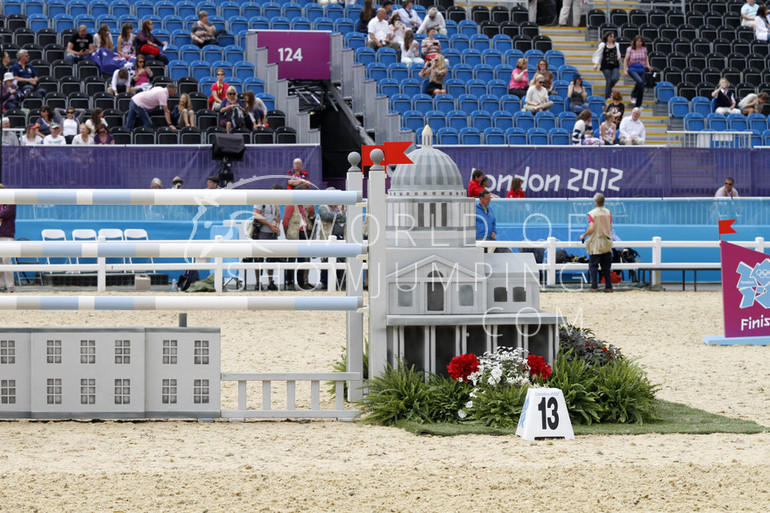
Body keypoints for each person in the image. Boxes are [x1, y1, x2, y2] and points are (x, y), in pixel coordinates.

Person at [251, 183, 283, 291]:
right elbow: (256, 214)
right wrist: (270, 225)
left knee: (272, 258)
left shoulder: (276, 203)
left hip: (272, 232)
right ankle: (258, 282)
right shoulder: (261, 199)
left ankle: (270, 281)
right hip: (262, 231)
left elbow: (278, 216)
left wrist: (277, 226)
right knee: (259, 257)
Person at [282, 183, 315, 290]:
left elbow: (312, 221)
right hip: (294, 235)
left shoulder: (306, 206)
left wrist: (312, 214)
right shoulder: (291, 205)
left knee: (303, 260)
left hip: (304, 234)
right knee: (291, 260)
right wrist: (288, 234)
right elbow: (285, 222)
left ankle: (302, 282)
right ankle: (290, 282)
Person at [580, 193, 613, 292]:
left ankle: (594, 286)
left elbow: (592, 228)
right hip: (606, 242)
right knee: (606, 267)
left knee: (593, 266)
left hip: (596, 244)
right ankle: (608, 287)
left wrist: (584, 235)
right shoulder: (608, 212)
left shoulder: (592, 213)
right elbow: (610, 227)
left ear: (595, 202)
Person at [316, 188, 347, 290]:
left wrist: (336, 216)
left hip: (339, 236)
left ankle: (339, 281)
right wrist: (338, 215)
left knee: (340, 259)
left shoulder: (337, 207)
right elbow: (326, 216)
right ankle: (325, 282)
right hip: (327, 236)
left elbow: (344, 218)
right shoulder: (322, 207)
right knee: (326, 259)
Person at [593, 32, 622, 99]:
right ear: (607, 37)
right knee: (608, 80)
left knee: (615, 78)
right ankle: (607, 97)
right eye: (610, 37)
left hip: (615, 64)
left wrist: (619, 56)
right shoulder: (603, 45)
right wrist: (596, 63)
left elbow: (618, 52)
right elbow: (598, 54)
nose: (612, 38)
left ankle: (608, 88)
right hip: (606, 65)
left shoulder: (616, 44)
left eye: (613, 37)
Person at [623, 36, 650, 109]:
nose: (639, 43)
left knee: (641, 87)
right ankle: (633, 95)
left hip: (641, 68)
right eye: (638, 41)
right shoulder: (630, 49)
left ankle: (638, 105)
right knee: (640, 81)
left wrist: (648, 66)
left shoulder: (644, 49)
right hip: (632, 68)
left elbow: (645, 58)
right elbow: (626, 59)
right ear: (635, 42)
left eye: (640, 41)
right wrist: (625, 69)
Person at [0, 184, 16, 293]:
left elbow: (6, 213)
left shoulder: (11, 201)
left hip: (7, 235)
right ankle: (1, 285)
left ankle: (10, 285)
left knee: (6, 259)